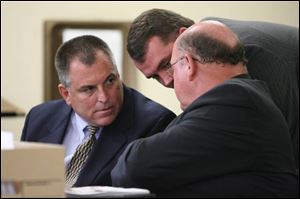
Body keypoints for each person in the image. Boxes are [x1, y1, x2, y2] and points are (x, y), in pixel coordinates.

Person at [111, 21, 298, 197]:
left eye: (170, 67)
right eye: (155, 77)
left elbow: (133, 167)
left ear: (188, 64)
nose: (169, 80)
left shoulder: (234, 101)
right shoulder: (242, 97)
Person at [21, 35, 176, 187]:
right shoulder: (39, 118)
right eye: (89, 89)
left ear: (118, 75)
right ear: (66, 94)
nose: (104, 97)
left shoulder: (155, 123)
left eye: (110, 81)